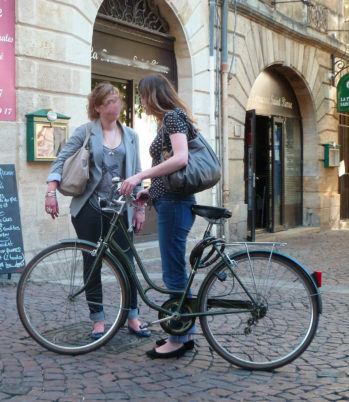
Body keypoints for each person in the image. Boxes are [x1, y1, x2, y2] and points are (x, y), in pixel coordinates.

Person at [45, 82, 151, 339]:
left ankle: (133, 317)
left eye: (117, 101)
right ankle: (99, 321)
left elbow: (136, 173)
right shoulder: (85, 132)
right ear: (97, 107)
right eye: (109, 102)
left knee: (127, 264)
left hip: (120, 212)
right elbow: (61, 159)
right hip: (89, 208)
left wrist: (139, 209)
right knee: (91, 263)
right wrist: (51, 191)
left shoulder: (131, 136)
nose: (115, 106)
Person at [120, 73, 196, 359]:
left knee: (174, 273)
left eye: (141, 95)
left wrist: (141, 175)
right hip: (170, 201)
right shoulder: (170, 119)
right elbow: (170, 169)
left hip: (176, 205)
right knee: (177, 271)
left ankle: (176, 340)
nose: (140, 101)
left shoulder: (173, 117)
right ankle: (185, 333)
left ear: (151, 94)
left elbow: (180, 159)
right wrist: (149, 192)